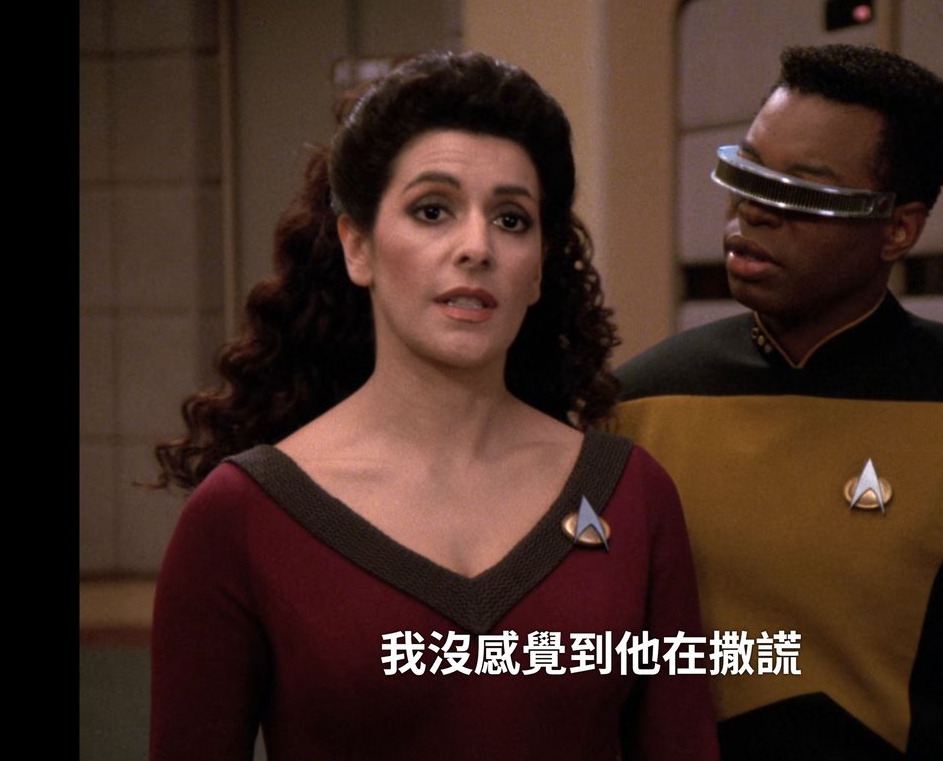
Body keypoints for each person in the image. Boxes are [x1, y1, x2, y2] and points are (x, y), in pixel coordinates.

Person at [150, 51, 717, 760]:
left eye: (511, 219)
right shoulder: (241, 515)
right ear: (357, 246)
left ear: (539, 268)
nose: (477, 246)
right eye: (432, 210)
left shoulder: (632, 495)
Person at [615, 44, 943, 759]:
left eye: (802, 192)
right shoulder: (637, 404)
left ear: (898, 229)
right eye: (748, 172)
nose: (754, 209)